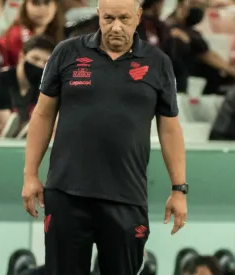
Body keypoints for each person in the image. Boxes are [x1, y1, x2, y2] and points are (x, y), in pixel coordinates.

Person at [21, 0, 187, 274]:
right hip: (66, 194)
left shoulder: (158, 63)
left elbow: (170, 129)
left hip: (127, 197)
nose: (116, 26)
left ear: (138, 16)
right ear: (98, 15)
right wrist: (30, 175)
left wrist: (178, 189)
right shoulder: (66, 52)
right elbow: (41, 115)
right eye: (108, 18)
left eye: (124, 18)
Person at [0, 35, 55, 124]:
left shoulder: (41, 88)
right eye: (35, 59)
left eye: (45, 63)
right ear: (21, 57)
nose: (40, 65)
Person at [0, 0, 63, 66]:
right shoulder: (14, 36)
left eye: (46, 2)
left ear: (55, 6)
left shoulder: (62, 35)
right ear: (25, 6)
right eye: (35, 3)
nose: (42, 8)